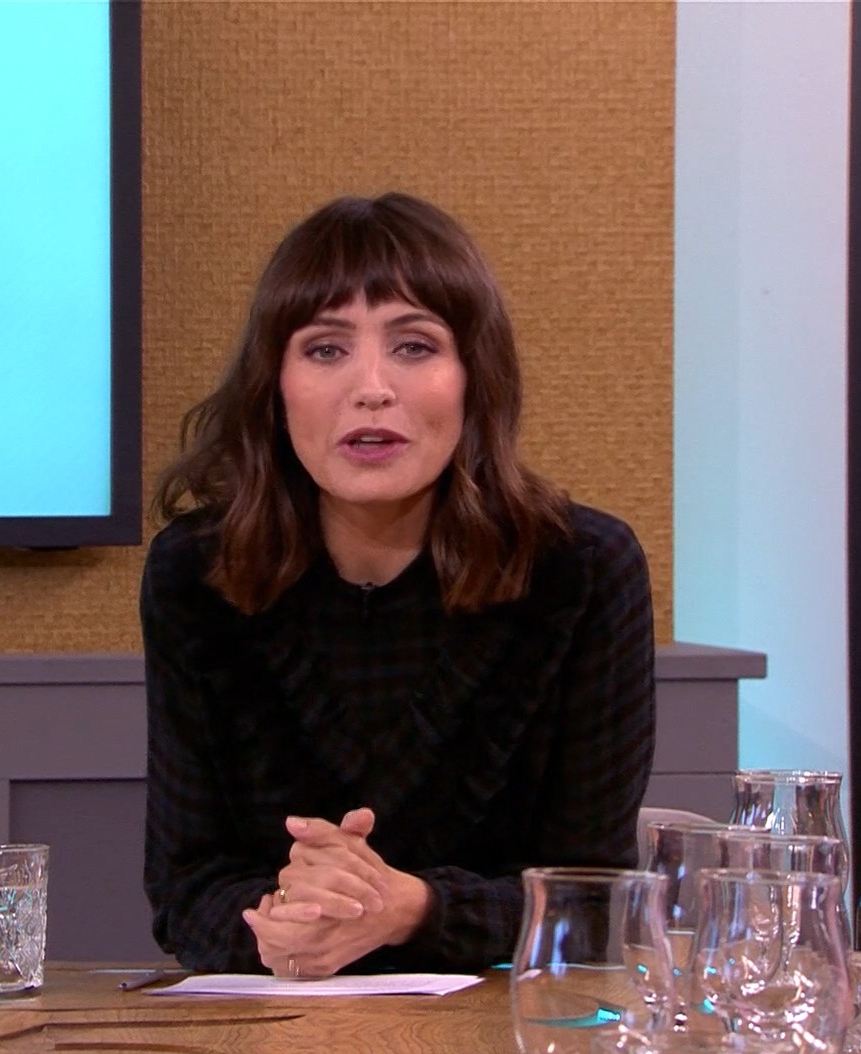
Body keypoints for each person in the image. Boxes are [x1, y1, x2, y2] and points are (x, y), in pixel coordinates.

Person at [140, 192, 656, 977]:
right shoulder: (197, 571)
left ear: (473, 378)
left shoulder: (580, 568)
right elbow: (187, 891)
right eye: (325, 350)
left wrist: (411, 908)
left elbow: (594, 904)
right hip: (276, 1015)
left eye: (414, 346)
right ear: (275, 386)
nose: (372, 387)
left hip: (505, 1023)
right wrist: (285, 920)